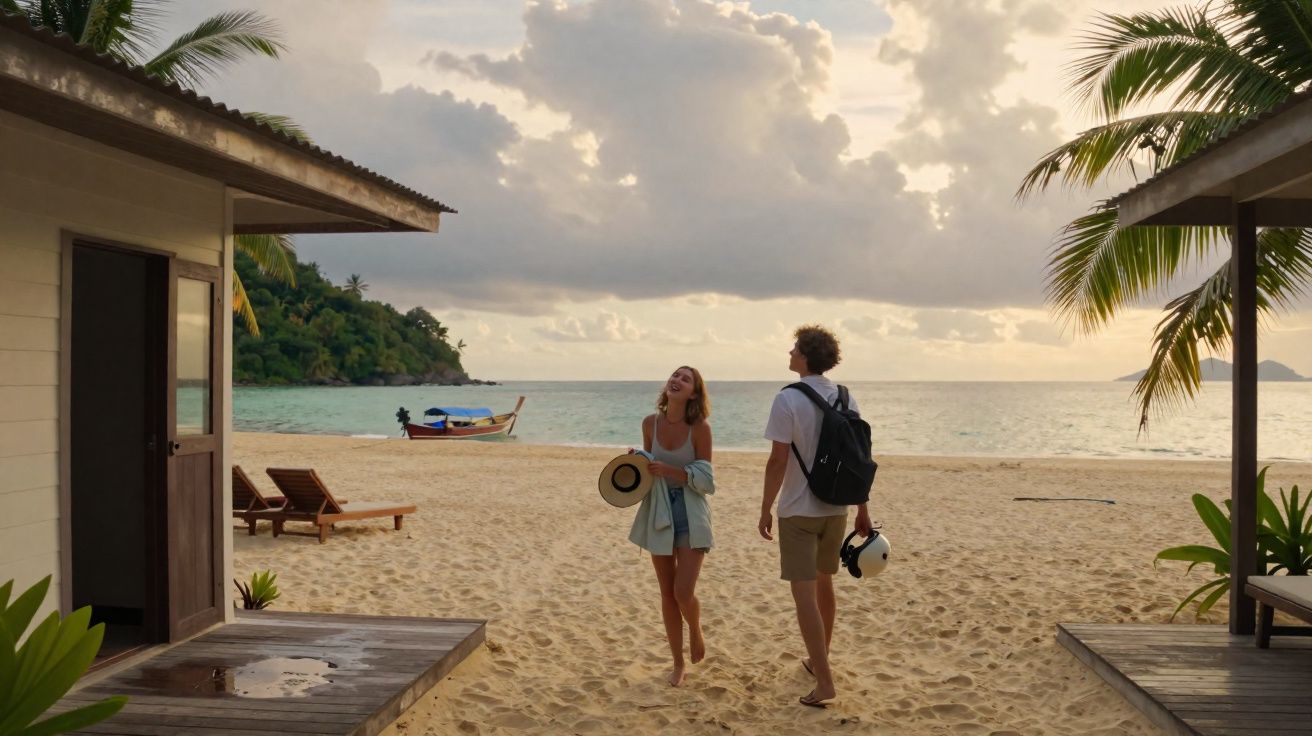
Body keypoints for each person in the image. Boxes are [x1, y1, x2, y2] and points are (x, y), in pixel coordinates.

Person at [758, 325, 873, 708]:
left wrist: (765, 508)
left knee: (804, 595)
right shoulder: (844, 396)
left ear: (805, 355)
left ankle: (824, 681)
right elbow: (858, 459)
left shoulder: (787, 399)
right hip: (836, 507)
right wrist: (862, 508)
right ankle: (817, 658)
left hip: (798, 509)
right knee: (825, 586)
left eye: (794, 348)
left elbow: (777, 461)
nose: (789, 353)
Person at [629, 366, 714, 687]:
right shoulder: (650, 423)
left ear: (693, 393)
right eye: (674, 375)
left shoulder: (700, 429)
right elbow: (648, 470)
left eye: (685, 378)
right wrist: (637, 460)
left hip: (692, 513)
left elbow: (707, 480)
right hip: (659, 511)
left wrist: (673, 471)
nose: (676, 380)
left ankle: (695, 627)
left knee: (683, 591)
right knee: (667, 594)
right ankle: (678, 663)